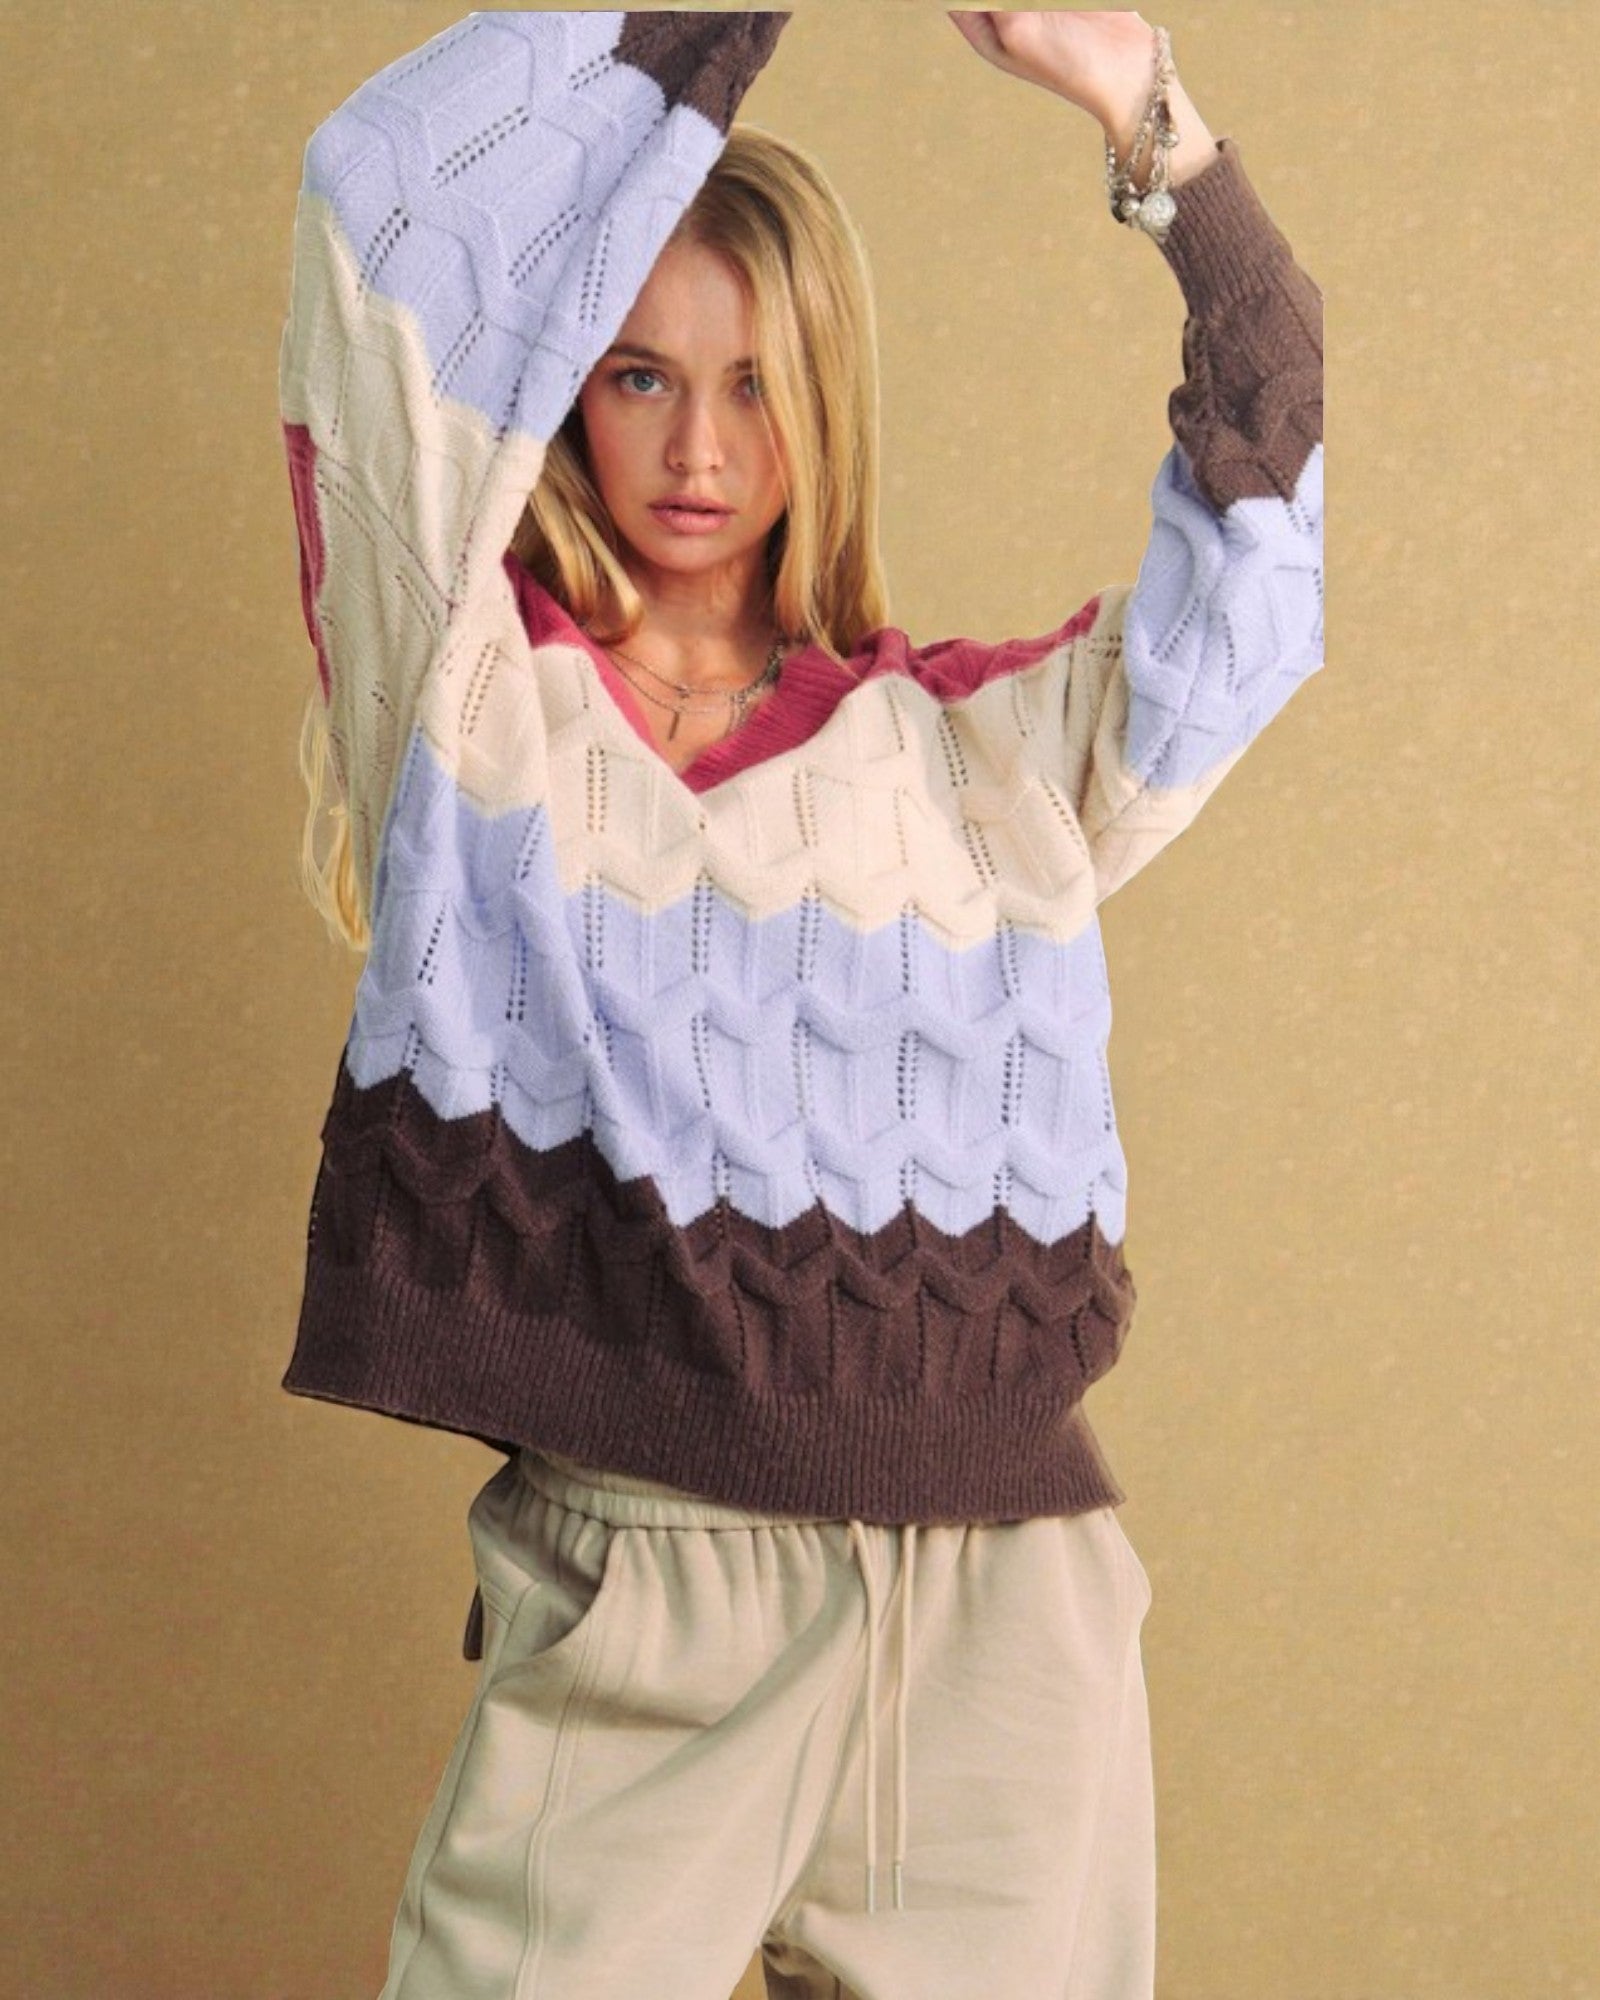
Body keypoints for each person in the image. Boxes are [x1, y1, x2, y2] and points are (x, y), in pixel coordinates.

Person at [277, 11, 1323, 1998]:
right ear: (560, 393)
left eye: (754, 384)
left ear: (821, 399)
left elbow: (1255, 591)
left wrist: (1153, 132)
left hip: (998, 1629)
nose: (695, 447)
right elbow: (374, 217)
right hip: (637, 1599)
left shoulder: (978, 758)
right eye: (638, 373)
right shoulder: (472, 711)